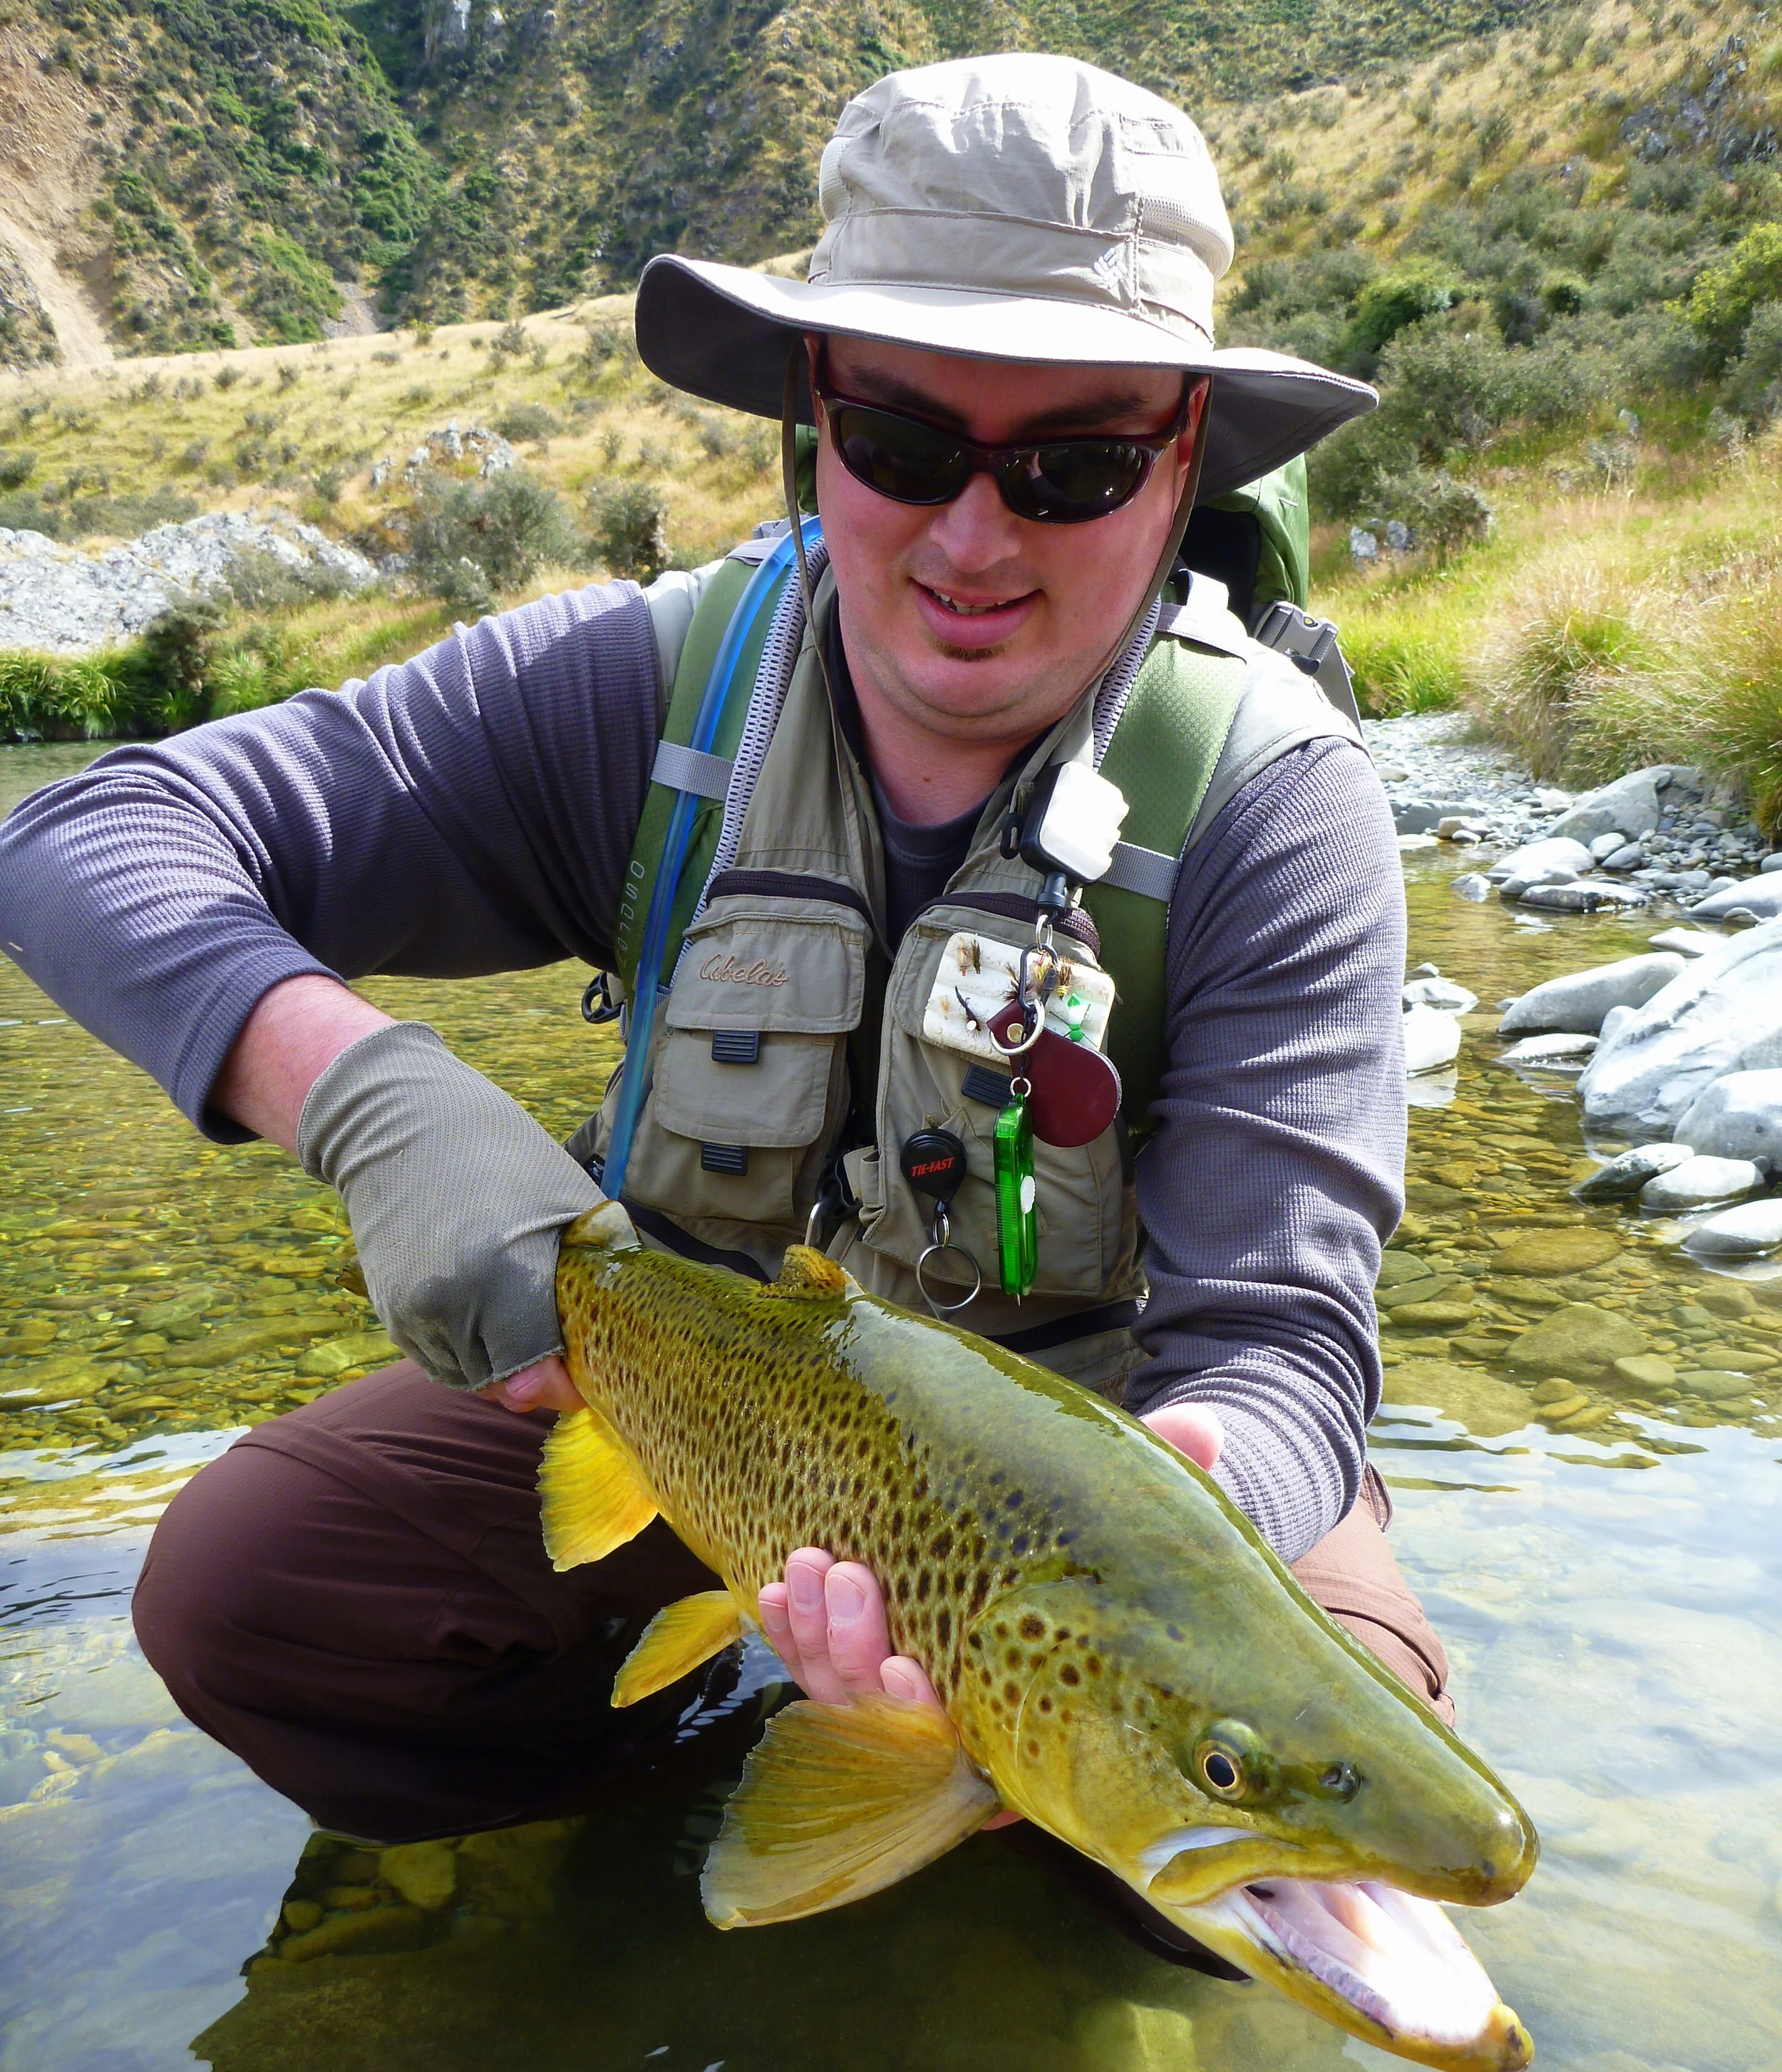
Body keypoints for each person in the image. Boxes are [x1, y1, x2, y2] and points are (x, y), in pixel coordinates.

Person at [0, 56, 1451, 1898]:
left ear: (1180, 467)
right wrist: (362, 1099)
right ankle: (698, 1778)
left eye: (1073, 464)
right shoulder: (644, 697)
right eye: (906, 447)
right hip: (702, 1430)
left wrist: (1124, 1551)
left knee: (1331, 1842)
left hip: (1097, 1511)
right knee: (260, 1594)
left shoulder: (1272, 807)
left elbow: (1286, 1351)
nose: (974, 536)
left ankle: (1006, 1830)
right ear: (809, 428)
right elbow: (84, 835)